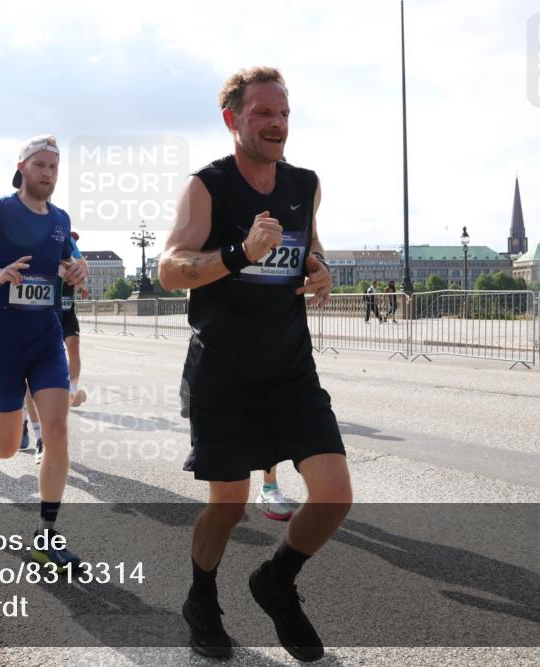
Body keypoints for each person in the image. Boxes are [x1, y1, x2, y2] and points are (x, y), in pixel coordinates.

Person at [158, 67, 350, 662]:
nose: (277, 123)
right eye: (263, 112)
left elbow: (310, 244)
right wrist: (241, 252)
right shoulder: (208, 186)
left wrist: (320, 268)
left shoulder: (304, 184)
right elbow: (169, 269)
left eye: (283, 113)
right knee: (228, 505)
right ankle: (201, 597)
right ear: (232, 119)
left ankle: (276, 580)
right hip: (223, 372)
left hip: (291, 370)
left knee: (335, 495)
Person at [0, 134, 88, 571]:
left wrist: (76, 267)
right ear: (23, 168)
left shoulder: (60, 219)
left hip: (46, 337)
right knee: (8, 445)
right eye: (40, 165)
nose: (48, 173)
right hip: (4, 339)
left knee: (57, 429)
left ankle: (46, 536)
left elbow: (68, 259)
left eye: (54, 166)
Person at [62, 231, 89, 407]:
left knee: (74, 344)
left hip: (66, 306)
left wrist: (81, 284)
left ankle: (72, 390)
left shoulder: (68, 240)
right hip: (46, 308)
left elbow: (84, 267)